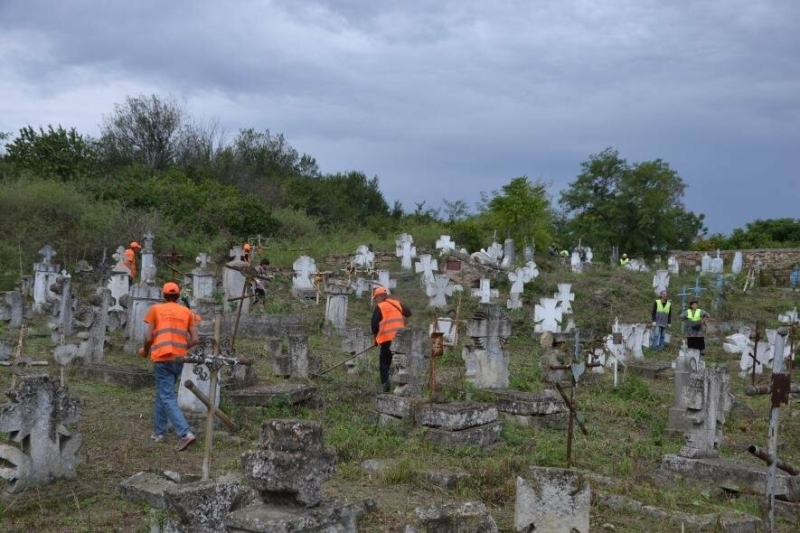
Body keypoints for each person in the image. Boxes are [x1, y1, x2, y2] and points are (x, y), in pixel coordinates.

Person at [138, 282, 199, 451]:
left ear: (163, 296)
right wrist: (181, 348)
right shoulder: (187, 312)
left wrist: (144, 350)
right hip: (178, 359)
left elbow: (149, 337)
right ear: (178, 296)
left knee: (167, 396)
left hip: (162, 358)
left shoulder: (156, 310)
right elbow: (195, 339)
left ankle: (185, 434)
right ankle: (159, 432)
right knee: (163, 393)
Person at [371, 286, 412, 393]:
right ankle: (404, 388)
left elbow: (374, 325)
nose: (375, 300)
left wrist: (376, 340)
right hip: (400, 339)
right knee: (400, 364)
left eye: (375, 298)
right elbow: (408, 313)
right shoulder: (396, 303)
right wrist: (403, 324)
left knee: (384, 364)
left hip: (387, 340)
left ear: (380, 296)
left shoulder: (380, 306)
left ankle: (386, 389)